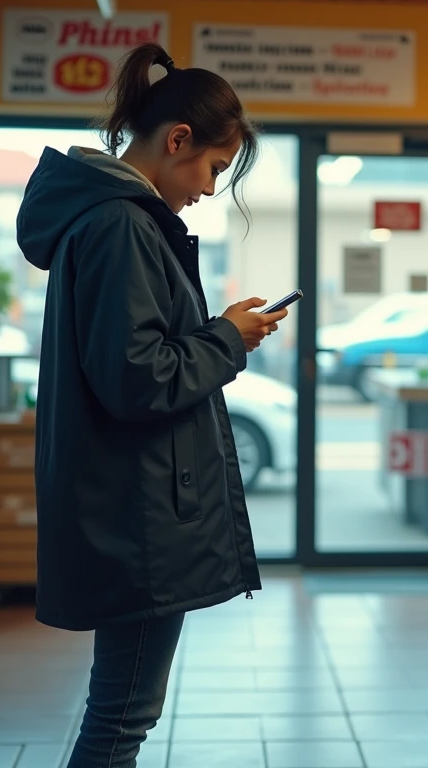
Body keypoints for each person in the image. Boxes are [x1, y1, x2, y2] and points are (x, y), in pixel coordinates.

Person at [15, 42, 287, 768]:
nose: (208, 186)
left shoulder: (113, 221)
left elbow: (134, 356)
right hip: (137, 516)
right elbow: (138, 378)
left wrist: (219, 332)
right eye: (213, 168)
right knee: (121, 719)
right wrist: (227, 337)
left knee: (122, 710)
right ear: (177, 141)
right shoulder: (122, 226)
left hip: (130, 503)